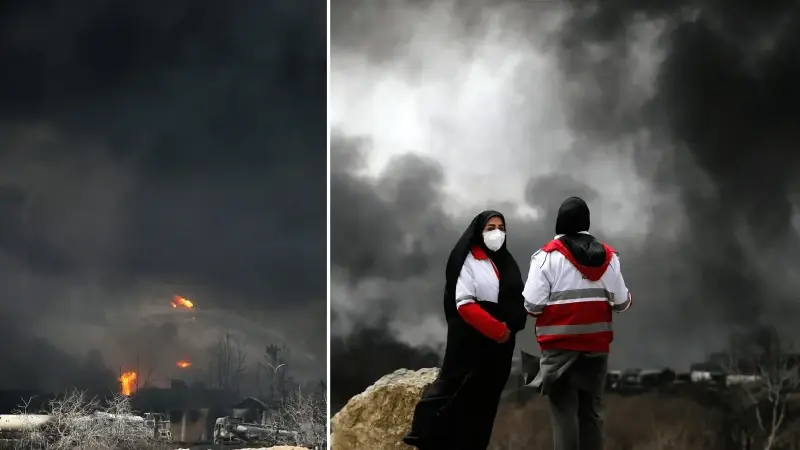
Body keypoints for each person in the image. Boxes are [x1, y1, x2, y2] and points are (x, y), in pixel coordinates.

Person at [403, 210, 528, 450]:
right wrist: (498, 330)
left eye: (501, 228)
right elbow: (464, 304)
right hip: (472, 342)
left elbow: (517, 300)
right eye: (490, 228)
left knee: (484, 406)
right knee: (455, 393)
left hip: (500, 351)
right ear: (479, 231)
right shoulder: (469, 261)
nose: (497, 233)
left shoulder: (506, 262)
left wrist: (513, 324)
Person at [522, 196, 632, 450]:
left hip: (559, 351)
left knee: (564, 416)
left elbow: (532, 306)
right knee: (591, 414)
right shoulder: (609, 257)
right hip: (596, 349)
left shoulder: (545, 258)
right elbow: (622, 302)